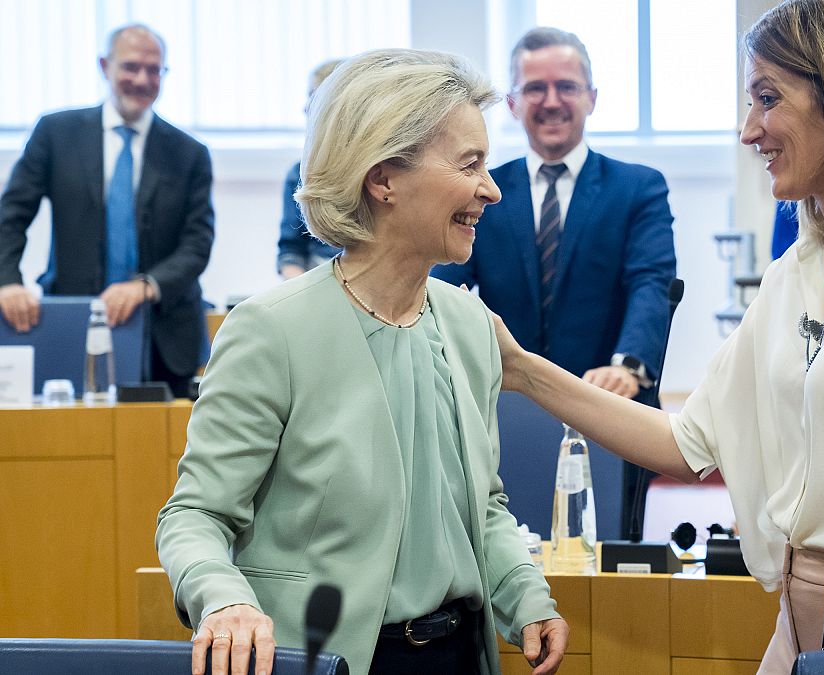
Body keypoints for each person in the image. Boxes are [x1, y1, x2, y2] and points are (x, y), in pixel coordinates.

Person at [488, 1, 824, 672]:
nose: (750, 131)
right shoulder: (792, 272)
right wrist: (524, 369)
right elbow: (686, 445)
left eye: (767, 98)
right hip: (796, 633)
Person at [156, 50, 567, 675]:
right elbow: (194, 515)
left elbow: (482, 508)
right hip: (331, 658)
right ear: (384, 180)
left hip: (460, 656)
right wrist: (224, 600)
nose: (493, 188)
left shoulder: (470, 326)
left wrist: (526, 595)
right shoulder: (272, 328)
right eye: (470, 164)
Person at [430, 26, 676, 539]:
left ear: (591, 98)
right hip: (507, 415)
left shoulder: (638, 188)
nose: (552, 101)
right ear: (515, 104)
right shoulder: (483, 190)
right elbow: (442, 286)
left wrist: (628, 367)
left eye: (566, 86)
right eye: (535, 88)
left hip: (608, 408)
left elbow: (651, 283)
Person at [0, 23, 214, 397]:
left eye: (154, 69)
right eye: (131, 67)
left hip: (165, 335)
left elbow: (197, 242)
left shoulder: (189, 153)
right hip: (69, 323)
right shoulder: (56, 133)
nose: (142, 79)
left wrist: (147, 285)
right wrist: (8, 281)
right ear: (105, 66)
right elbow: (11, 215)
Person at [276, 59, 343, 279]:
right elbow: (290, 251)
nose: (305, 108)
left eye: (314, 96)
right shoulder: (299, 174)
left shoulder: (383, 171)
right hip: (317, 281)